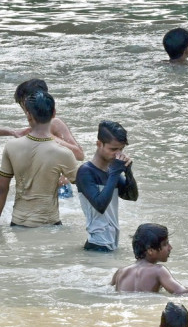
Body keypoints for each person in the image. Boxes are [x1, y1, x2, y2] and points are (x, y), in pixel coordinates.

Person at [0, 91, 82, 227]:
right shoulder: (64, 153)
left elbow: (2, 188)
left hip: (18, 223)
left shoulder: (11, 146)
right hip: (50, 224)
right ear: (54, 113)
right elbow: (84, 185)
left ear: (28, 115)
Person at [1, 79, 85, 198]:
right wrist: (12, 132)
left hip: (59, 190)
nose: (24, 110)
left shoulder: (54, 123)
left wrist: (49, 137)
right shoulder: (32, 126)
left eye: (24, 103)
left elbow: (79, 154)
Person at [111, 223, 188, 295]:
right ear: (150, 250)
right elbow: (182, 293)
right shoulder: (158, 270)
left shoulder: (120, 272)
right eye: (165, 244)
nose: (170, 247)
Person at [75, 121, 138, 252]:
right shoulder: (86, 171)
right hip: (97, 243)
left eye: (121, 149)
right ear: (99, 144)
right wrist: (115, 172)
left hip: (111, 242)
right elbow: (100, 205)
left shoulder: (110, 172)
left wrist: (128, 172)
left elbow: (132, 196)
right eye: (113, 149)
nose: (118, 154)